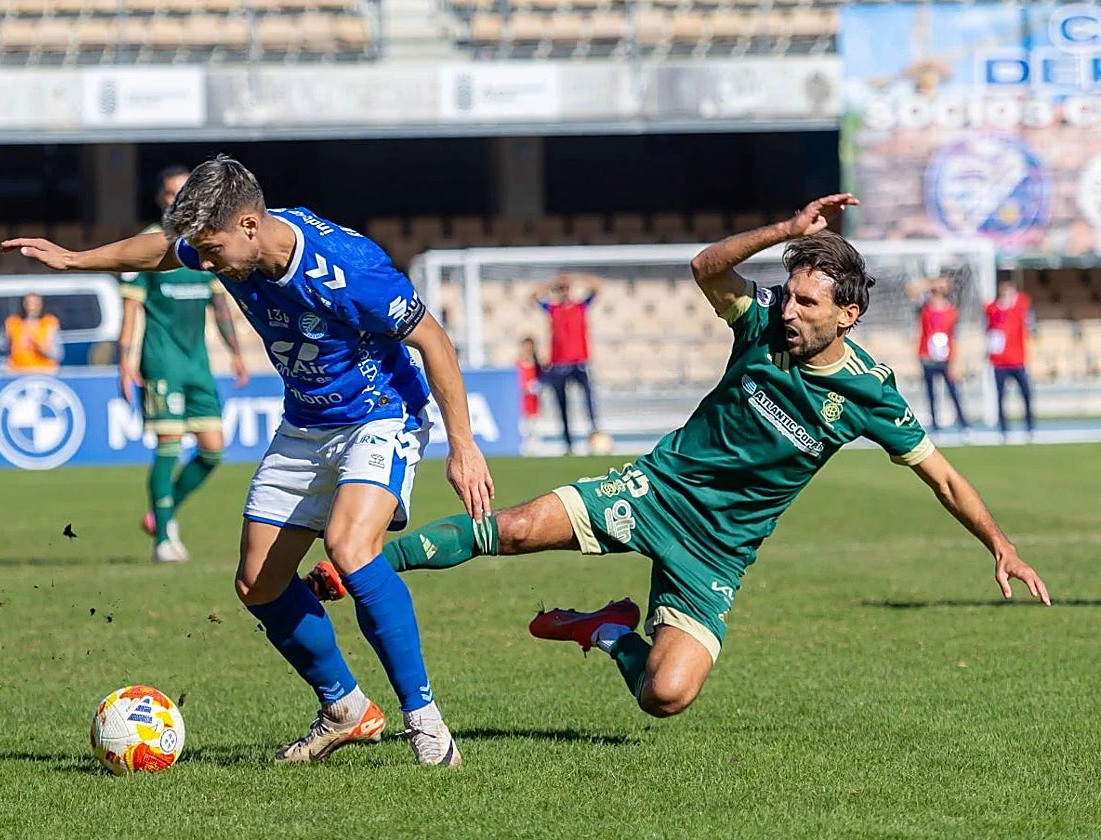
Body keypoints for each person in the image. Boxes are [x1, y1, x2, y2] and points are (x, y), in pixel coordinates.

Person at [305, 194, 1051, 722]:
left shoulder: (869, 395)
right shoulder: (759, 326)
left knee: (666, 696)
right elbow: (705, 267)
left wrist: (1001, 543)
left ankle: (601, 629)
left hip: (718, 554)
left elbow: (943, 475)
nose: (789, 311)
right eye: (788, 296)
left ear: (847, 316)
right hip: (657, 489)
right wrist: (787, 230)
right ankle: (362, 564)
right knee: (521, 526)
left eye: (808, 305)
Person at [2, 154, 494, 767]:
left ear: (250, 224)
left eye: (211, 251)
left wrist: (463, 446)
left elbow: (433, 340)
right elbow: (160, 250)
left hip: (380, 412)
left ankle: (426, 722)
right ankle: (345, 708)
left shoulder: (348, 269)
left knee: (348, 546)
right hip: (306, 422)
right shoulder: (222, 242)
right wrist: (76, 259)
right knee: (257, 582)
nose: (205, 265)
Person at [118, 164, 250, 564]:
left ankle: (163, 510)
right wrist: (125, 363)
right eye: (171, 193)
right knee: (169, 445)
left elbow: (219, 304)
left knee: (213, 450)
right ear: (162, 199)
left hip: (197, 362)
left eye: (184, 192)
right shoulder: (149, 245)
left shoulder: (204, 242)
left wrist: (236, 352)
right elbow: (130, 311)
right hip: (162, 361)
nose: (178, 199)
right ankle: (163, 540)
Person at [530, 273, 604, 454]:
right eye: (561, 289)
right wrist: (552, 283)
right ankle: (568, 443)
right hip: (558, 364)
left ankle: (594, 434)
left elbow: (597, 287)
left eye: (566, 288)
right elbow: (532, 297)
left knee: (588, 400)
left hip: (579, 362)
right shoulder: (553, 308)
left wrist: (576, 279)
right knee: (562, 404)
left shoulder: (580, 306)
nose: (564, 291)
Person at [907, 275, 969, 434]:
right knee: (931, 393)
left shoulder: (951, 310)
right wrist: (931, 283)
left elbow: (955, 337)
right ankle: (935, 424)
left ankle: (963, 423)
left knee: (953, 392)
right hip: (928, 357)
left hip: (945, 358)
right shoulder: (924, 308)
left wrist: (955, 362)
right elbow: (910, 291)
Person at [984, 279, 1036, 442]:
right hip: (999, 362)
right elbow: (988, 310)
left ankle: (1030, 427)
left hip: (1018, 360)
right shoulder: (994, 310)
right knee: (1001, 397)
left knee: (1026, 394)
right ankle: (1004, 429)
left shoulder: (1018, 306)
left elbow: (1024, 300)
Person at [0, 292, 63, 373]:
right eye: (29, 303)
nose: (32, 307)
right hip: (18, 374)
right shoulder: (13, 323)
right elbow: (1, 345)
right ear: (24, 304)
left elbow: (58, 355)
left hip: (44, 374)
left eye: (36, 303)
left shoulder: (49, 323)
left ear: (41, 304)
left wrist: (41, 349)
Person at [516, 336, 542, 452]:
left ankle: (535, 448)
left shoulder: (537, 364)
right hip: (522, 400)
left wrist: (537, 386)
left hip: (534, 400)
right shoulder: (518, 364)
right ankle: (524, 449)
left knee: (534, 427)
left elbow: (541, 379)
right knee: (524, 427)